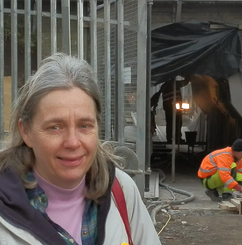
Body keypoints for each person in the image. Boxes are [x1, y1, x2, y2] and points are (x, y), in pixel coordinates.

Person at [0, 53, 161, 245]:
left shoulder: (121, 190)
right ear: (26, 132)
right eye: (55, 127)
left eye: (84, 125)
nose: (73, 142)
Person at [151, 76, 190, 143]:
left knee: (170, 123)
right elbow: (186, 82)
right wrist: (188, 75)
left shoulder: (164, 85)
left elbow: (157, 96)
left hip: (169, 108)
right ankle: (177, 138)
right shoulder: (176, 84)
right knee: (177, 122)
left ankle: (170, 138)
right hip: (174, 108)